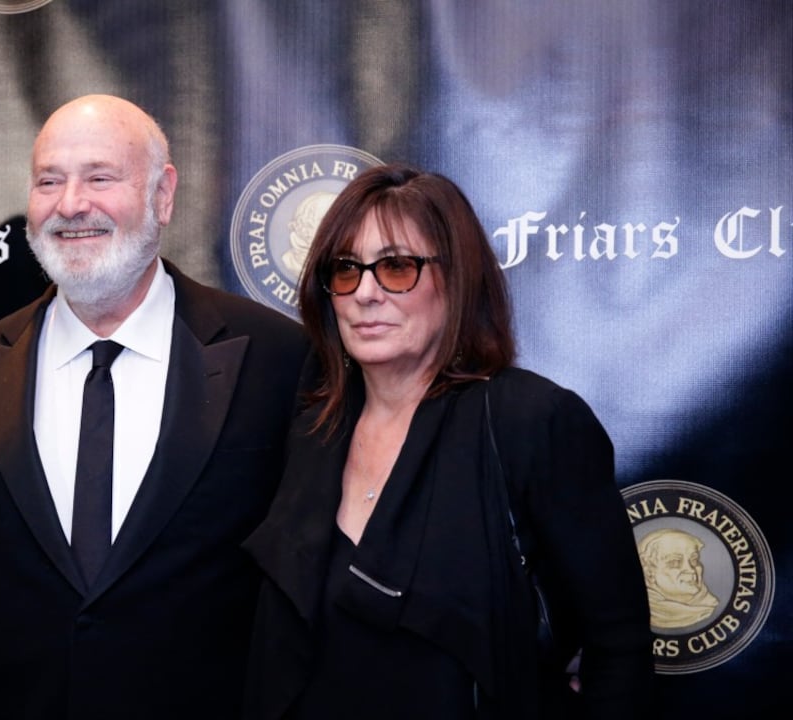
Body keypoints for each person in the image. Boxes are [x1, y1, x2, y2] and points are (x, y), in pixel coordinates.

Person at [0, 93, 309, 719]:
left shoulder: (275, 356)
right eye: (49, 181)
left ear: (163, 195)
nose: (70, 203)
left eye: (99, 177)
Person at [242, 163, 654, 719]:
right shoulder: (314, 425)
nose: (365, 293)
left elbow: (617, 646)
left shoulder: (532, 421)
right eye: (345, 270)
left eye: (395, 267)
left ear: (456, 280)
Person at [639, 528, 719, 630]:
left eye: (694, 560)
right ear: (649, 573)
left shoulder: (710, 604)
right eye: (675, 562)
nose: (691, 569)